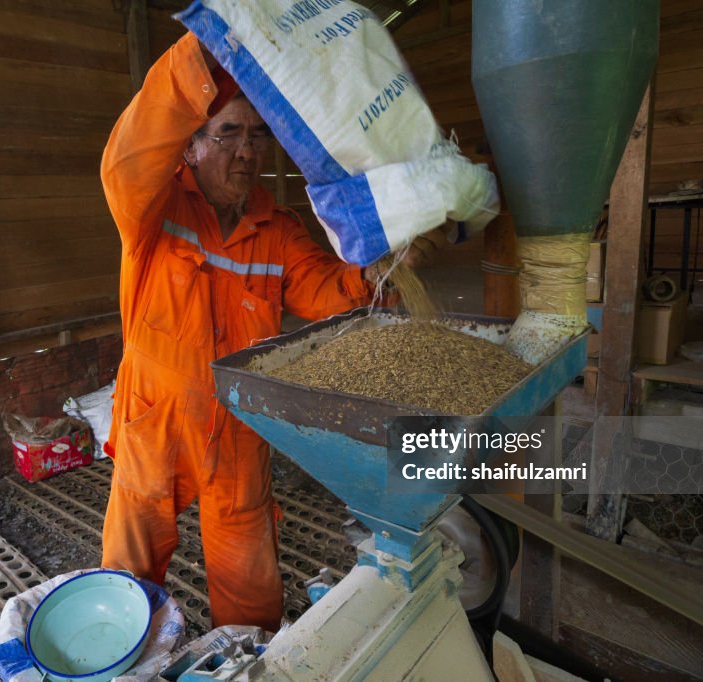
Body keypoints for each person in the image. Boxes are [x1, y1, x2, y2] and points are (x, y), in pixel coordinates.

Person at [99, 32, 440, 631]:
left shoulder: (275, 228)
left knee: (252, 592)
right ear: (191, 146)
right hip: (154, 426)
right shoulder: (153, 210)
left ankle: (251, 660)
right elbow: (128, 154)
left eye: (256, 136)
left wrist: (380, 266)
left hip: (236, 429)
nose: (245, 151)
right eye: (226, 133)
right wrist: (205, 49)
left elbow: (322, 290)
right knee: (127, 582)